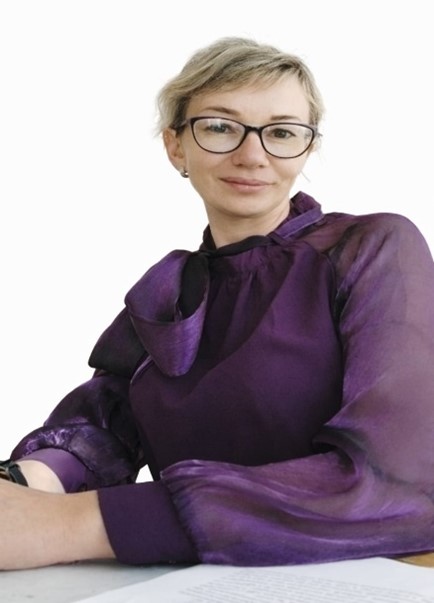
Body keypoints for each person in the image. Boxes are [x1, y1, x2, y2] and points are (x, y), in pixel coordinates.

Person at [1, 35, 434, 572]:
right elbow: (102, 427)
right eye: (220, 127)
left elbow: (400, 483)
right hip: (194, 584)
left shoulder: (373, 249)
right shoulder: (166, 291)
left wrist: (78, 524)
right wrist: (26, 485)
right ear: (176, 146)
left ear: (307, 147)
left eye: (281, 132)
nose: (252, 155)